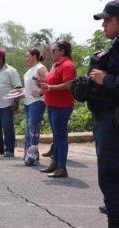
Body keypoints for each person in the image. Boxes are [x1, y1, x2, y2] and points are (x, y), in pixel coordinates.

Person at [86, 1, 119, 228]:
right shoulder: (114, 47)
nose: (104, 25)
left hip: (113, 122)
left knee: (110, 175)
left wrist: (106, 79)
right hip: (106, 119)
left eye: (108, 20)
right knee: (109, 175)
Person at [37, 41, 76, 178]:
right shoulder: (56, 65)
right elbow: (51, 83)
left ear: (62, 51)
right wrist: (42, 85)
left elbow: (68, 85)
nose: (51, 52)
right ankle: (55, 163)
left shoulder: (67, 65)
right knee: (57, 136)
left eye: (54, 50)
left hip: (62, 106)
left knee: (61, 137)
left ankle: (62, 168)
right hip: (53, 105)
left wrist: (49, 88)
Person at [23, 49, 48, 166]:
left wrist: (41, 93)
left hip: (37, 101)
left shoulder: (40, 68)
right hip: (28, 102)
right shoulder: (29, 70)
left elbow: (49, 82)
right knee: (28, 129)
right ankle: (31, 154)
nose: (26, 58)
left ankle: (31, 155)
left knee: (33, 126)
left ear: (34, 56)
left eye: (27, 56)